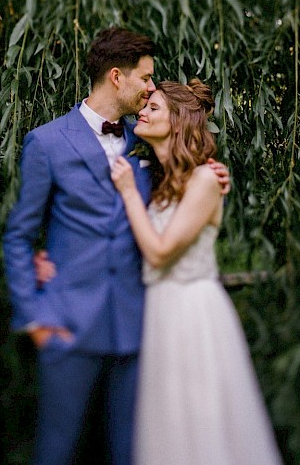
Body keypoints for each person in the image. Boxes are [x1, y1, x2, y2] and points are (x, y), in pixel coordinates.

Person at [1, 28, 228, 465]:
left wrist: (211, 174)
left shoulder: (147, 141)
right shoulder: (46, 143)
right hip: (67, 325)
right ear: (117, 77)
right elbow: (19, 234)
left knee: (132, 453)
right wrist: (35, 315)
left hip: (138, 329)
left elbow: (183, 183)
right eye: (145, 78)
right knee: (56, 452)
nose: (150, 89)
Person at [110, 79, 283, 465]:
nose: (143, 112)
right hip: (160, 311)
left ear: (178, 121)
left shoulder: (205, 180)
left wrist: (126, 193)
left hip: (192, 313)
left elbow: (159, 253)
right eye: (145, 106)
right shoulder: (162, 179)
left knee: (200, 422)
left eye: (154, 108)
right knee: (167, 426)